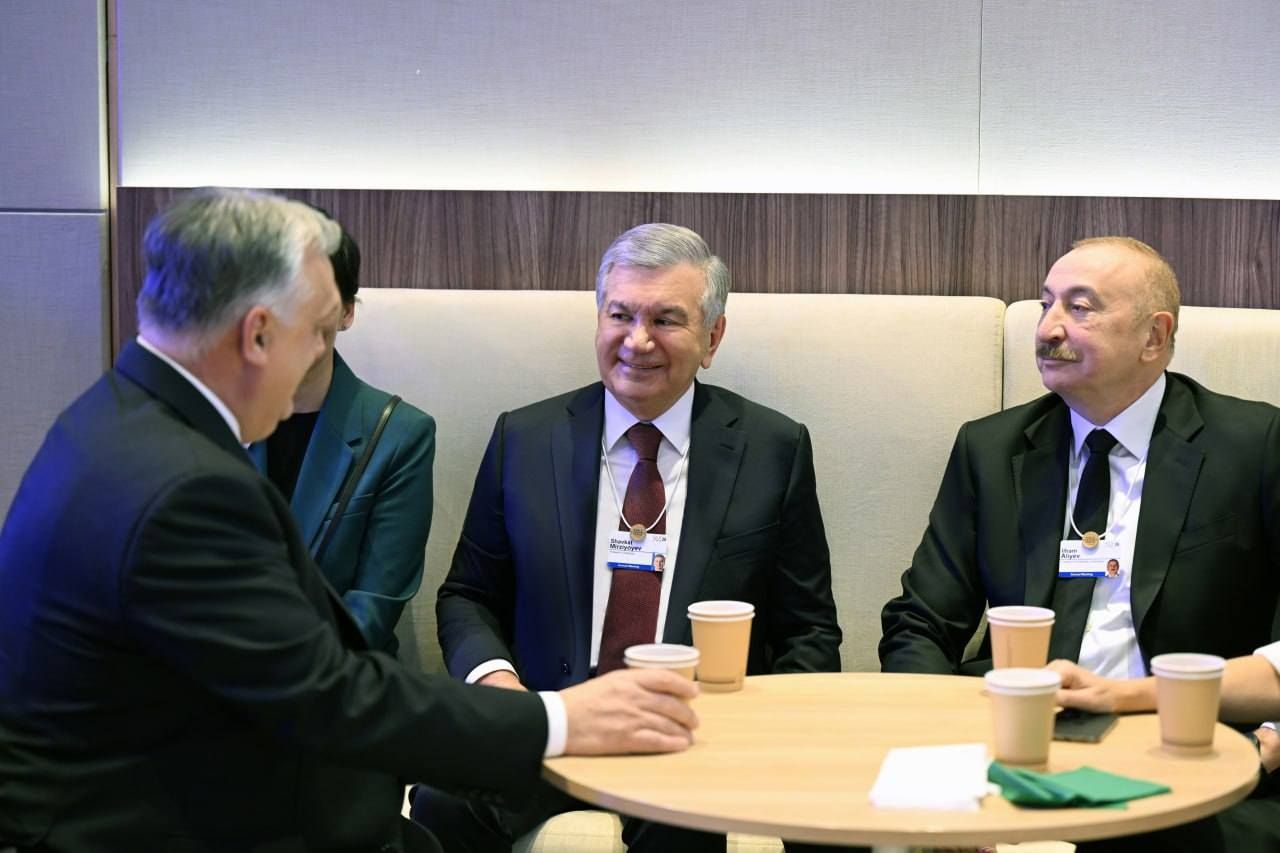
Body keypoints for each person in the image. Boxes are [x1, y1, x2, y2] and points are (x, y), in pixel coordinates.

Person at [0, 188, 698, 853]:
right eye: (318, 331)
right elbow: (329, 696)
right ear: (258, 334)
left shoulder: (108, 422)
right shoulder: (185, 488)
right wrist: (563, 718)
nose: (321, 357)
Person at [414, 223, 842, 851]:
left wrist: (755, 729)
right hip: (554, 725)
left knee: (686, 830)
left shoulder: (772, 449)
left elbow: (810, 630)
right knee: (439, 800)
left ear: (712, 337)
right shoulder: (525, 439)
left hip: (694, 735)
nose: (637, 341)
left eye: (666, 320)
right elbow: (467, 596)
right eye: (620, 315)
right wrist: (502, 690)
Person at [878, 235, 1280, 851]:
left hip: (1185, 744)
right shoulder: (992, 449)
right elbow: (920, 623)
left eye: (1080, 307)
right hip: (1020, 745)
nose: (1047, 328)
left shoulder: (1253, 445)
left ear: (1154, 336)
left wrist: (1269, 737)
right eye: (1046, 304)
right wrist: (948, 756)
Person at [248, 218, 433, 654]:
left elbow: (371, 612)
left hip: (334, 679)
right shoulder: (208, 421)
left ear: (347, 311)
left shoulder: (400, 436)